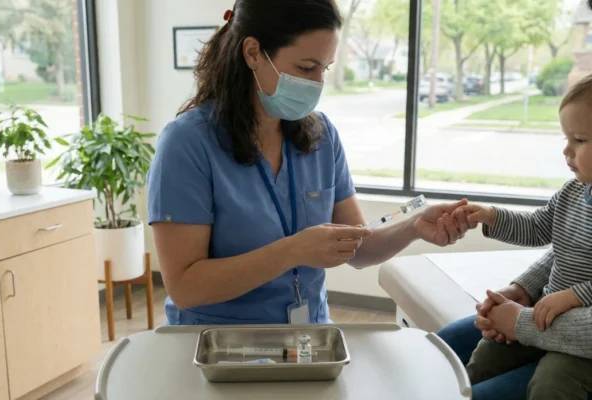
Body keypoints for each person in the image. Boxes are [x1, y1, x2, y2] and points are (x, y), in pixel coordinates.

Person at [146, 0, 474, 326]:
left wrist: (414, 227)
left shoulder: (321, 136)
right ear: (252, 53)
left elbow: (358, 248)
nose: (318, 83)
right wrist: (294, 251)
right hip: (217, 345)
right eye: (306, 68)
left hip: (307, 337)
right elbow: (184, 286)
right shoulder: (188, 144)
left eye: (325, 68)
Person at [439, 74, 592, 400]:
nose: (567, 151)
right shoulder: (573, 192)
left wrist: (571, 297)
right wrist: (492, 216)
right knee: (488, 353)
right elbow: (541, 229)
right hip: (545, 313)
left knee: (552, 384)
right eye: (566, 138)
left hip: (579, 342)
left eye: (580, 140)